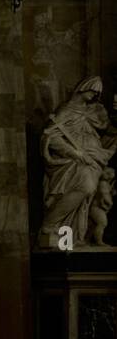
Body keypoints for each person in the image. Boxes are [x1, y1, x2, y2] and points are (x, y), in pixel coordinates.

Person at [40, 77, 116, 249]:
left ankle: (72, 237)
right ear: (82, 88)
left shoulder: (92, 112)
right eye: (92, 91)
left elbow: (107, 130)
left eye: (97, 94)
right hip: (73, 162)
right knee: (86, 187)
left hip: (93, 161)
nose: (93, 96)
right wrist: (75, 153)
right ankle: (49, 225)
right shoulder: (66, 111)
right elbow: (50, 138)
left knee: (88, 194)